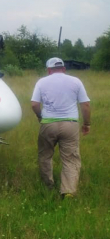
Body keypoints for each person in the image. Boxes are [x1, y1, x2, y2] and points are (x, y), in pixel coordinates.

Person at [31, 57, 91, 198]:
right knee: (70, 158)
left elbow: (34, 104)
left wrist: (40, 116)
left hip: (48, 124)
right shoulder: (76, 81)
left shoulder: (41, 82)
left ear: (49, 70)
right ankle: (68, 191)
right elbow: (86, 105)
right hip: (70, 124)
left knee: (45, 155)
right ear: (64, 69)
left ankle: (48, 186)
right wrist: (86, 124)